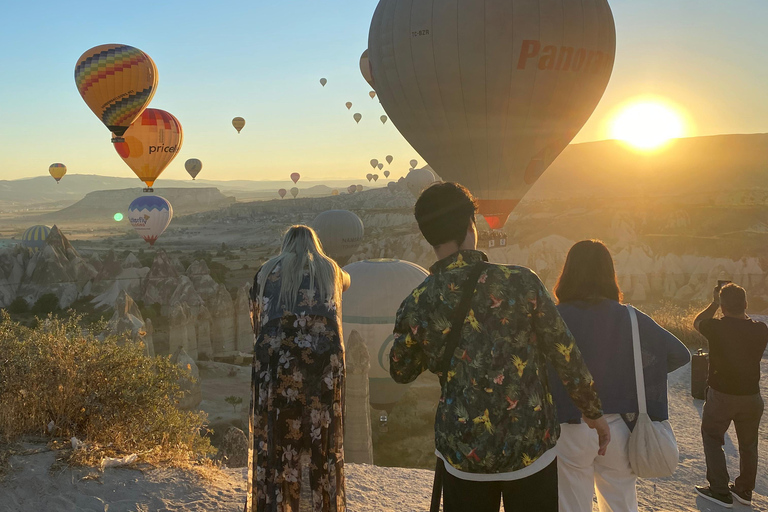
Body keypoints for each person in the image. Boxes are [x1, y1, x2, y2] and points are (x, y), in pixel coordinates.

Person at [389, 182, 610, 512]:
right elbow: (565, 353)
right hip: (529, 447)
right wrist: (593, 414)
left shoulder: (418, 301)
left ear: (427, 234)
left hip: (463, 452)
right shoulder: (520, 282)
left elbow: (401, 370)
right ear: (470, 225)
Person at [550, 240, 690, 512]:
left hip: (570, 423)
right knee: (621, 503)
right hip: (622, 426)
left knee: (571, 504)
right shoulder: (632, 318)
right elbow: (678, 354)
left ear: (567, 272)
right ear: (609, 274)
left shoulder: (555, 318)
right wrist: (636, 377)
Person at [245, 225, 351, 512]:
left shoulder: (267, 271)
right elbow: (346, 284)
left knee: (278, 437)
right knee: (321, 437)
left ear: (286, 243)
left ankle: (278, 505)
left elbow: (256, 315)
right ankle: (322, 504)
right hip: (322, 367)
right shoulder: (331, 269)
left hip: (277, 366)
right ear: (314, 243)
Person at [693, 282, 767, 508]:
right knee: (748, 445)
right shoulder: (761, 329)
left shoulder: (716, 327)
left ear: (723, 308)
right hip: (751, 397)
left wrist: (714, 302)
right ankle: (744, 490)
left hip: (721, 395)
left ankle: (719, 490)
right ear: (746, 304)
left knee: (712, 438)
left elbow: (696, 322)